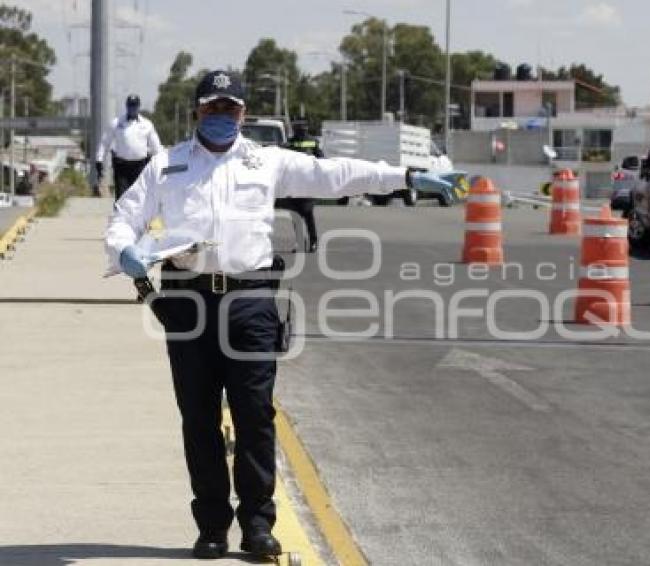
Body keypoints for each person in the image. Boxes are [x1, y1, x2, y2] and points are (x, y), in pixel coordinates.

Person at [104, 70, 452, 560]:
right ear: (197, 111)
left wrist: (404, 177)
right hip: (187, 302)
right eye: (212, 107)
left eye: (231, 108)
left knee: (255, 416)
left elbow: (336, 175)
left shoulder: (267, 162)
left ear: (243, 113)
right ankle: (210, 527)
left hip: (251, 300)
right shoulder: (166, 166)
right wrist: (125, 253)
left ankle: (257, 525)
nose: (222, 116)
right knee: (198, 418)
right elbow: (124, 218)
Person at [96, 94, 162, 200]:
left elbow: (156, 148)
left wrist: (159, 164)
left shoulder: (147, 124)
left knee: (140, 198)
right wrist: (99, 160)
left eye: (134, 106)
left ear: (138, 107)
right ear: (126, 106)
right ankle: (121, 216)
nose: (132, 108)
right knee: (122, 198)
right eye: (130, 106)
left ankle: (139, 217)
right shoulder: (116, 123)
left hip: (140, 167)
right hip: (122, 167)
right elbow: (104, 143)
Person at [277, 121, 323, 252]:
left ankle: (313, 242)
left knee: (308, 213)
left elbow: (322, 160)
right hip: (294, 185)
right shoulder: (289, 144)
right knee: (296, 215)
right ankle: (300, 243)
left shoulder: (313, 142)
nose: (301, 130)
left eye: (302, 128)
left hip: (308, 184)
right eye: (299, 128)